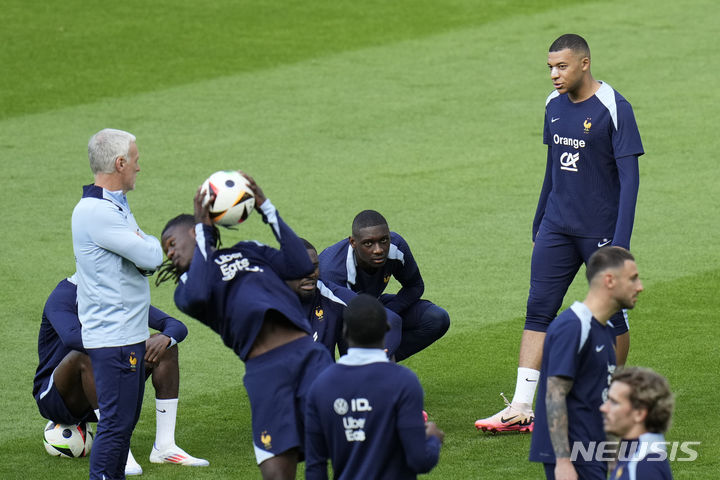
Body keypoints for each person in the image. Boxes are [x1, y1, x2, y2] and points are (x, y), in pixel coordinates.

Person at [476, 33, 644, 434]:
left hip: (600, 234)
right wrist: (539, 220)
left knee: (614, 316)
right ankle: (520, 406)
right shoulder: (553, 105)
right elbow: (553, 169)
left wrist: (620, 244)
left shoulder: (613, 108)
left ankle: (609, 398)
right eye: (550, 66)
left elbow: (630, 180)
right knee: (538, 309)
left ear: (584, 63)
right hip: (556, 227)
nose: (554, 74)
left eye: (562, 66)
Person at [158, 173, 332, 480]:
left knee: (340, 445)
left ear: (191, 228)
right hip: (265, 372)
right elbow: (201, 291)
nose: (169, 253)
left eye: (171, 243)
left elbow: (301, 265)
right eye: (166, 252)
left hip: (307, 355)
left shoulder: (248, 249)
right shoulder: (186, 288)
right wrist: (205, 236)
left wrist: (267, 209)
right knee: (277, 472)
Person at [33, 275, 208, 476]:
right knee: (87, 355)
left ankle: (164, 447)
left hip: (104, 389)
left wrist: (165, 338)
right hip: (57, 398)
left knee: (165, 347)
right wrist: (126, 351)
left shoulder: (116, 295)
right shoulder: (63, 296)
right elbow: (73, 337)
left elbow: (175, 325)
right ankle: (117, 453)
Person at [71, 128, 163, 479]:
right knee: (116, 425)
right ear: (120, 163)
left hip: (122, 335)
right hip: (116, 338)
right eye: (135, 160)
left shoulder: (112, 205)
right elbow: (152, 255)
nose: (139, 167)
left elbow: (141, 257)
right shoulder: (97, 212)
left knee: (120, 425)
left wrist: (142, 245)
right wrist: (145, 242)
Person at [529, 246, 643, 480]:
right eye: (633, 279)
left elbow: (600, 394)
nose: (639, 286)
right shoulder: (573, 327)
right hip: (575, 457)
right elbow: (554, 394)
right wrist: (562, 462)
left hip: (594, 453)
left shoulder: (607, 330)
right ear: (609, 280)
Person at [304, 294, 444, 479]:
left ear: (345, 332)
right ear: (386, 328)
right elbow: (419, 460)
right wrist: (433, 440)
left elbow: (315, 468)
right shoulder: (404, 382)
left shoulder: (321, 385)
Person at [318, 210, 449, 361]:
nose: (378, 249)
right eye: (368, 243)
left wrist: (387, 312)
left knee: (436, 319)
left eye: (384, 240)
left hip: (370, 306)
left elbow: (415, 286)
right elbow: (333, 324)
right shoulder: (333, 271)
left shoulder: (396, 246)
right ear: (353, 243)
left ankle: (385, 361)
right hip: (334, 317)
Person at [284, 238, 402, 359]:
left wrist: (375, 357)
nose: (310, 274)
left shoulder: (329, 294)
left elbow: (391, 320)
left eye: (314, 267)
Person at [601, 367, 674, 480]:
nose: (603, 408)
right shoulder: (635, 454)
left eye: (614, 402)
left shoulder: (643, 468)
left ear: (639, 414)